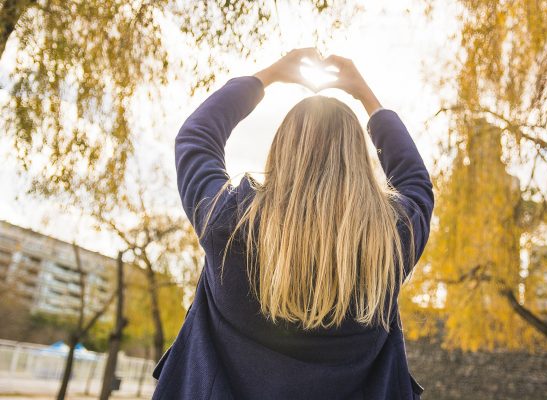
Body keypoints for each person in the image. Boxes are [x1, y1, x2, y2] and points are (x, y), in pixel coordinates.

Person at [152, 47, 434, 400]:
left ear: (282, 148)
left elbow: (197, 136)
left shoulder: (231, 222)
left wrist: (268, 75)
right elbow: (416, 182)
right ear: (358, 158)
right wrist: (366, 95)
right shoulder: (391, 240)